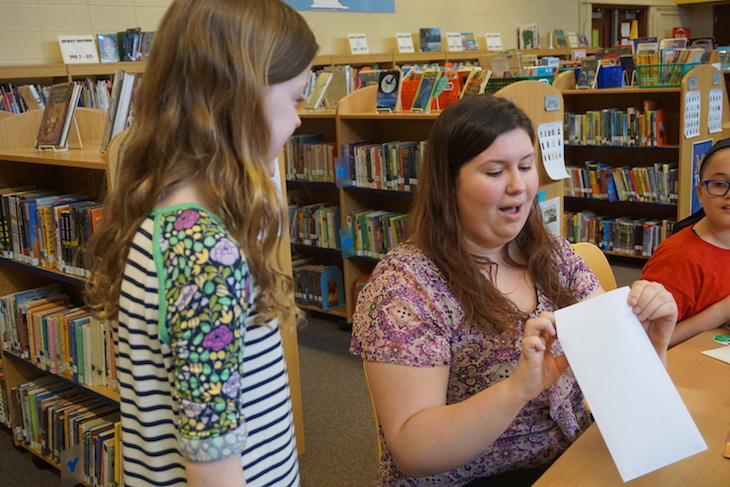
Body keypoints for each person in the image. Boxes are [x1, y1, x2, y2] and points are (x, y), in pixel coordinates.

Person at [350, 95, 677, 487]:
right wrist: (517, 389)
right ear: (447, 183)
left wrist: (651, 346)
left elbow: (625, 400)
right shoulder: (404, 287)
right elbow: (414, 450)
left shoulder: (554, 256)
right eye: (494, 172)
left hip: (568, 460)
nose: (519, 186)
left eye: (525, 166)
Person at [84, 0, 318, 485]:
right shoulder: (206, 255)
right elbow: (212, 461)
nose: (299, 120)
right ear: (239, 97)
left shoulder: (160, 220)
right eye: (294, 99)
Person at [641, 138, 730, 347]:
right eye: (719, 184)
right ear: (700, 193)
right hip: (681, 371)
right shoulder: (678, 259)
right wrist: (721, 312)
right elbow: (644, 342)